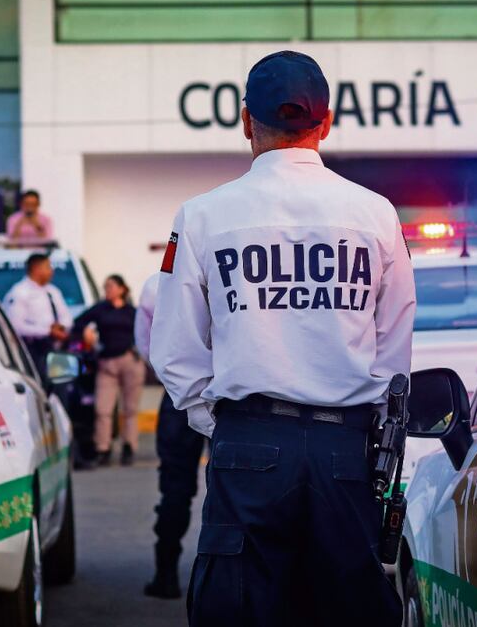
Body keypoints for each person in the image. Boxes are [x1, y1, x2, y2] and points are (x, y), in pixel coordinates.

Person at [151, 50, 415, 627]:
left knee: (238, 609)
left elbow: (175, 351)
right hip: (346, 451)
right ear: (326, 122)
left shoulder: (201, 215)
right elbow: (394, 347)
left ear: (247, 120)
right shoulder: (375, 214)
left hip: (248, 442)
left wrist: (218, 422)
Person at [136, 272, 207, 599]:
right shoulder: (236, 270)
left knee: (175, 487)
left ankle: (166, 574)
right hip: (236, 395)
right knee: (239, 485)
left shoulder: (157, 286)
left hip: (179, 394)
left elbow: (147, 348)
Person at [71, 274, 146, 467]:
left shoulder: (132, 311)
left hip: (129, 360)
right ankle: (103, 448)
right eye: (106, 287)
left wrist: (140, 350)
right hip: (107, 362)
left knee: (129, 409)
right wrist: (88, 338)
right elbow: (78, 323)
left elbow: (147, 330)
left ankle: (129, 446)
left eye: (112, 286)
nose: (108, 290)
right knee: (103, 409)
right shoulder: (100, 309)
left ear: (122, 289)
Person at [3, 253, 71, 374]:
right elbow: (16, 326)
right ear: (36, 268)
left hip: (56, 348)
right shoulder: (20, 292)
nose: (51, 271)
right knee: (41, 386)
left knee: (61, 385)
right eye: (48, 267)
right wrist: (48, 331)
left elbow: (66, 316)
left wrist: (61, 326)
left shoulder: (53, 291)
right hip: (33, 350)